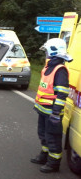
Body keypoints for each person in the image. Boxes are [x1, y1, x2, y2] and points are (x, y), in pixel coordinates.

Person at [31, 38, 72, 173]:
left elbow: (62, 93)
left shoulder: (60, 70)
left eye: (47, 51)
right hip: (44, 110)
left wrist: (56, 112)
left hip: (52, 113)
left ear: (54, 52)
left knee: (53, 137)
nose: (46, 54)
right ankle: (44, 156)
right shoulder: (49, 67)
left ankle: (54, 163)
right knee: (43, 134)